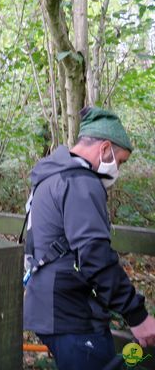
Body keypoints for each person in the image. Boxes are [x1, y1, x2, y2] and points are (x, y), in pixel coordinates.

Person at [23, 107, 155, 369]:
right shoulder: (80, 181)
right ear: (105, 148)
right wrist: (137, 316)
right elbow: (95, 256)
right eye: (121, 160)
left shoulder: (50, 178)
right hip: (73, 317)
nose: (119, 168)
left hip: (48, 309)